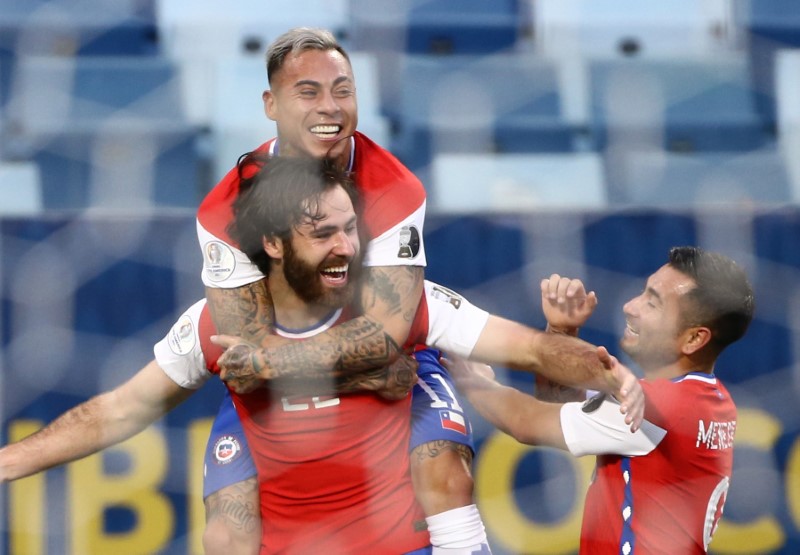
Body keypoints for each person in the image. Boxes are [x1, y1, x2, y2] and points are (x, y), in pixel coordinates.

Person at [195, 26, 489, 553]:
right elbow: (244, 363)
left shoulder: (394, 188)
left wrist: (280, 361)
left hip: (382, 361)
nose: (329, 107)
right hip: (277, 387)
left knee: (447, 473)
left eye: (343, 90)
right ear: (271, 104)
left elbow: (387, 338)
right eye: (307, 92)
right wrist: (375, 372)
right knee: (225, 532)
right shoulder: (224, 209)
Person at [447, 247, 754, 554]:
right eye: (643, 292)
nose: (630, 307)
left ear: (694, 339)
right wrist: (561, 332)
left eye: (652, 303)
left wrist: (473, 381)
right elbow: (560, 409)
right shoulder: (711, 400)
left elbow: (528, 422)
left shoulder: (660, 409)